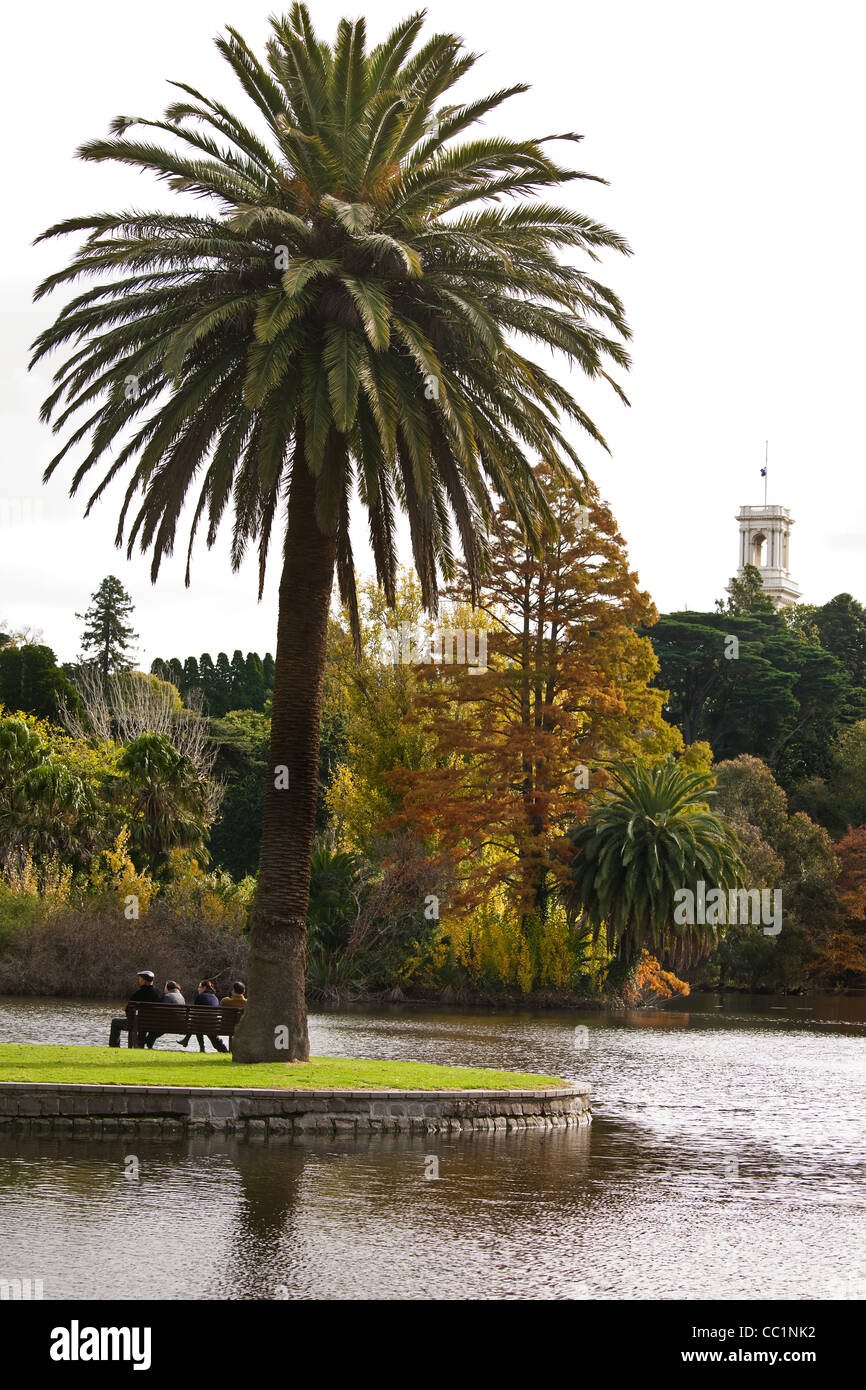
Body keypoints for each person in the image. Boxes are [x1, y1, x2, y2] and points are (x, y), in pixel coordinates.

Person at [108, 971, 163, 1048]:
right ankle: (140, 1046)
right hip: (153, 1024)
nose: (139, 980)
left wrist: (131, 1018)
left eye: (140, 978)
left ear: (143, 980)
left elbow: (128, 1010)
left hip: (138, 1024)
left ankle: (114, 1046)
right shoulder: (159, 993)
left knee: (115, 1022)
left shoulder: (138, 993)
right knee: (142, 1025)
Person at [181, 979, 229, 1053]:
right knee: (214, 1040)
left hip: (200, 1025)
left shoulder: (200, 997)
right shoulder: (215, 997)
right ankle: (224, 1050)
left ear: (204, 987)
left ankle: (201, 1047)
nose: (198, 989)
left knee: (196, 1022)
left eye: (199, 987)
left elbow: (194, 1012)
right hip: (213, 1025)